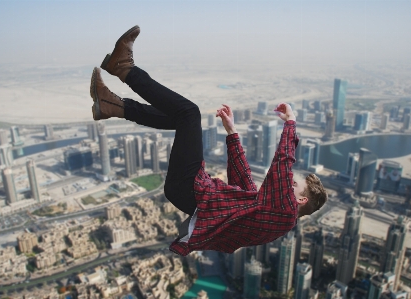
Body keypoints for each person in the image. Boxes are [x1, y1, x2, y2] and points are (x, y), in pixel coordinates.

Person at [90, 25, 328, 256]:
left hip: (191, 190)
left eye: (293, 185)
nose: (287, 183)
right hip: (191, 192)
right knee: (181, 118)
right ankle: (111, 105)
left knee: (189, 112)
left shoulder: (285, 214)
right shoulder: (272, 215)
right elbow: (244, 185)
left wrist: (290, 124)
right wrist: (232, 134)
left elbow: (282, 165)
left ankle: (123, 68)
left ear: (301, 200)